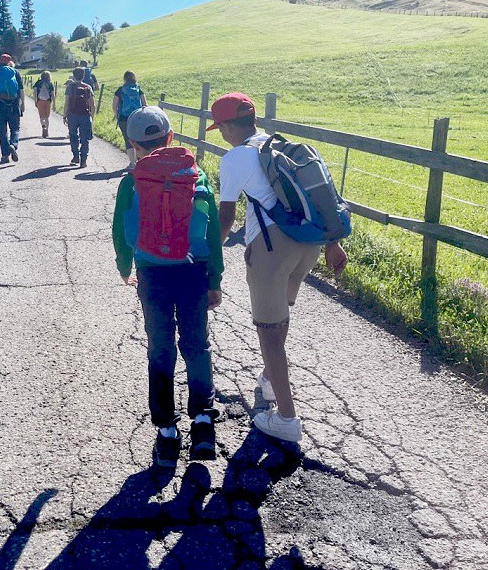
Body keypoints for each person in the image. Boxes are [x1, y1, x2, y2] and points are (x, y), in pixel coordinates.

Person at [209, 92, 348, 443]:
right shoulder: (280, 146)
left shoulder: (235, 158)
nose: (221, 134)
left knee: (268, 330)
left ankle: (286, 418)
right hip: (309, 244)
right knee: (280, 316)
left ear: (226, 125)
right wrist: (333, 241)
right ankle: (271, 380)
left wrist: (213, 254)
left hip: (271, 248)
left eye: (220, 128)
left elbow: (227, 214)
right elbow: (320, 196)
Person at [112, 106, 224, 469]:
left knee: (160, 349)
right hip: (192, 272)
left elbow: (120, 233)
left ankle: (166, 432)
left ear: (133, 143)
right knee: (196, 344)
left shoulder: (131, 181)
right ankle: (203, 422)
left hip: (152, 274)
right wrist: (215, 280)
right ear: (170, 138)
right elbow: (212, 233)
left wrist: (125, 267)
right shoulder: (196, 175)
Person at [0, 54, 25, 164]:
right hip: (14, 104)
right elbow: (21, 90)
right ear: (9, 62)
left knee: (2, 131)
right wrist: (23, 104)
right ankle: (13, 145)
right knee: (15, 129)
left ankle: (5, 156)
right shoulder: (15, 72)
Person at [112, 70, 147, 169]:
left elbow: (114, 105)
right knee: (138, 139)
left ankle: (132, 163)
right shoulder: (138, 89)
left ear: (124, 79)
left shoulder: (120, 90)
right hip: (137, 117)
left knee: (128, 140)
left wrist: (116, 115)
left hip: (124, 118)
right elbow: (145, 105)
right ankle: (139, 161)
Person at [64, 66, 96, 168]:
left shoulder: (70, 87)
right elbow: (92, 104)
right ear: (83, 76)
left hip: (73, 115)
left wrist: (65, 115)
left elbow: (67, 103)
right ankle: (83, 161)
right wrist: (92, 116)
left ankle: (75, 156)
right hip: (85, 115)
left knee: (73, 136)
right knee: (84, 138)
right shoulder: (88, 87)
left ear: (73, 76)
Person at [33, 71, 55, 138]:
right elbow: (52, 94)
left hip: (40, 101)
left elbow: (34, 92)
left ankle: (43, 127)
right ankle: (47, 130)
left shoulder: (38, 83)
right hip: (48, 101)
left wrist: (35, 101)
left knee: (42, 117)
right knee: (47, 117)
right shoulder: (50, 83)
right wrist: (54, 103)